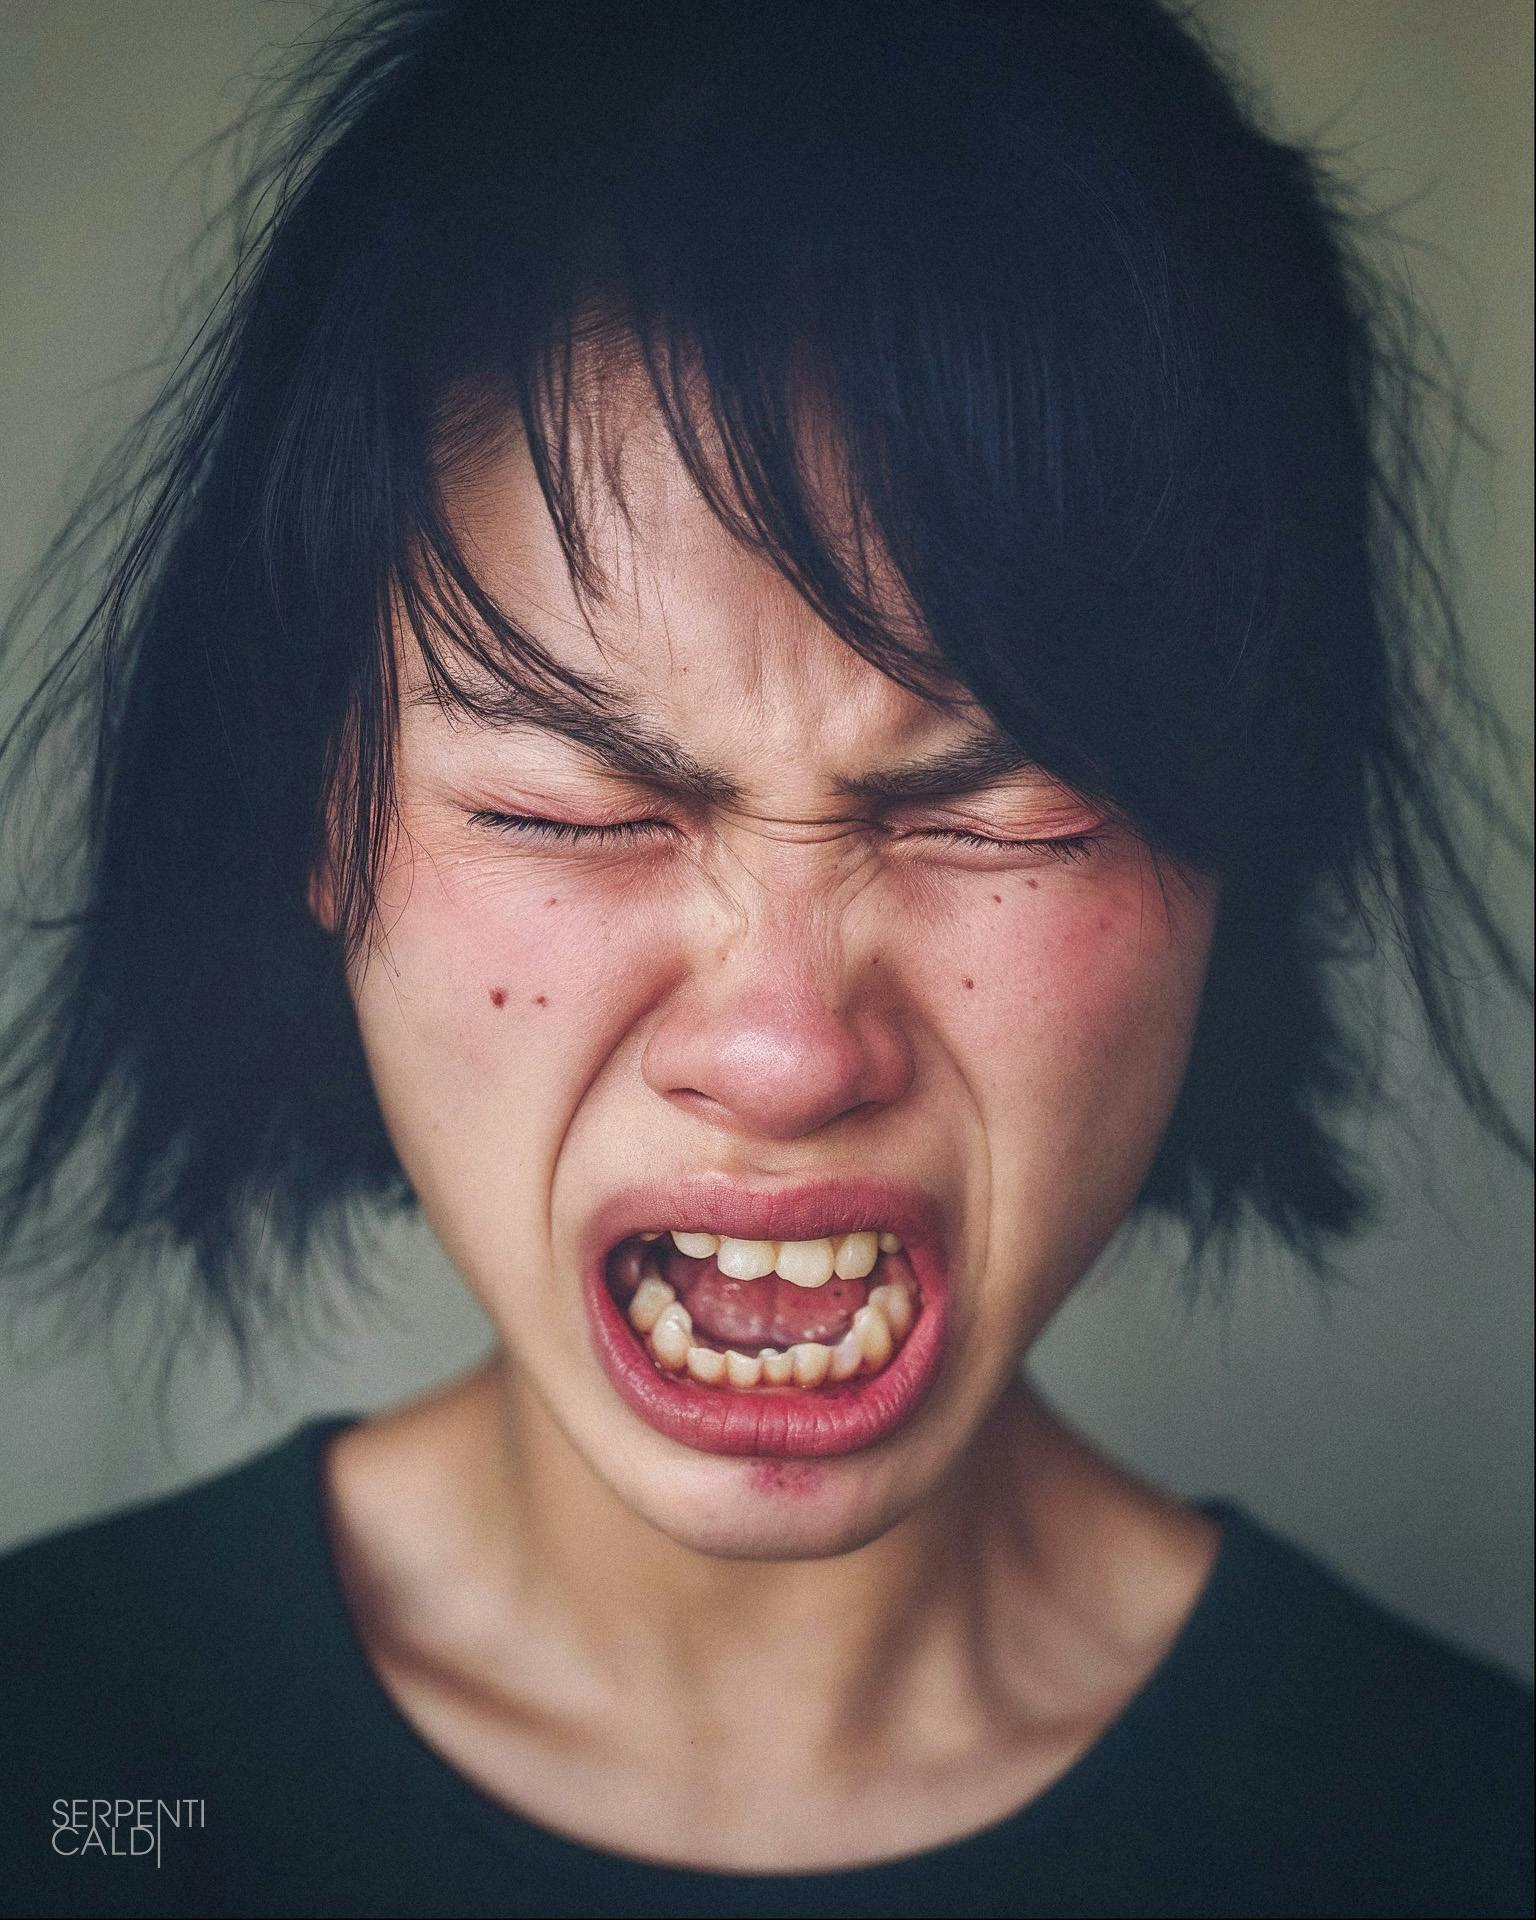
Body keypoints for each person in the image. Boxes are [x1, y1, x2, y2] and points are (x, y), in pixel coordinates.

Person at [0, 2, 1530, 1915]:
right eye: (574, 812)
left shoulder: (1461, 1840)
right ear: (320, 811)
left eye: (1002, 814)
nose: (789, 1048)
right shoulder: (52, 1772)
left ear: (1241, 838)